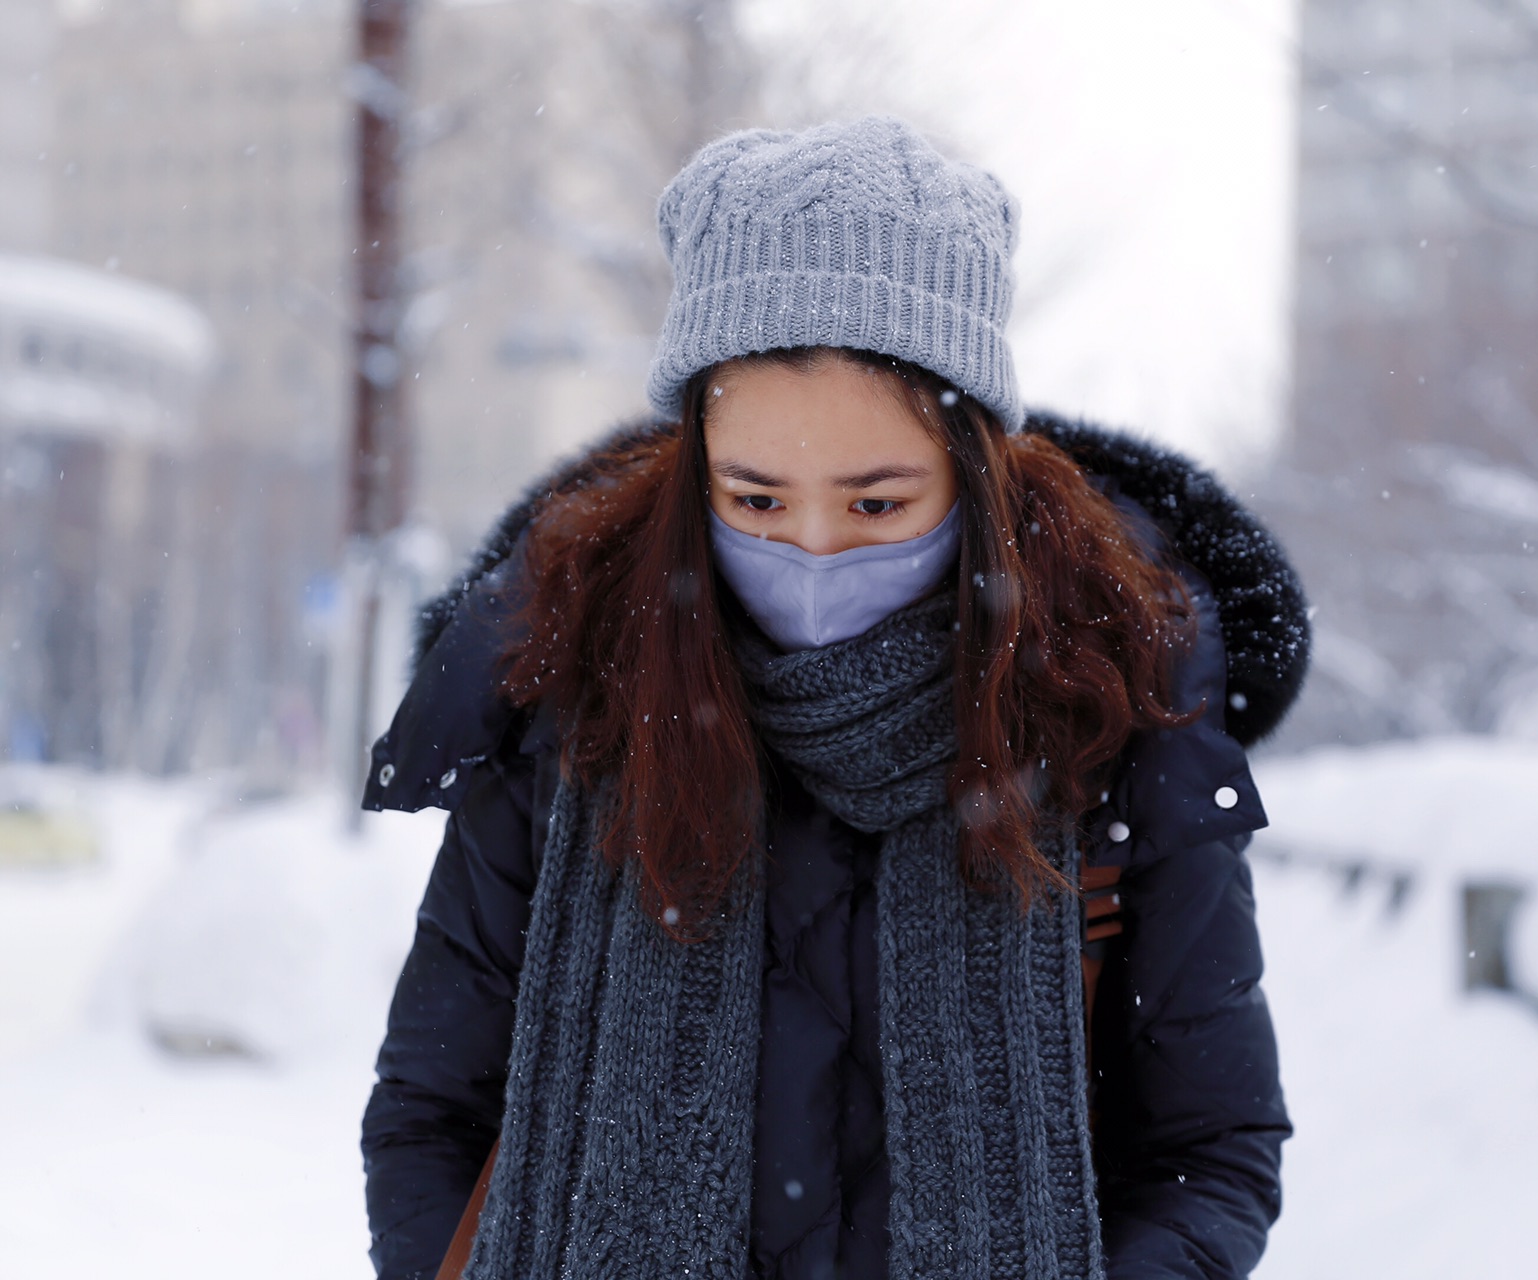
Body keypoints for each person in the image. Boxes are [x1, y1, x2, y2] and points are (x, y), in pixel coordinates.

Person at [359, 116, 1310, 1280]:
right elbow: (432, 1113)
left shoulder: (1108, 710)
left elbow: (1209, 1147)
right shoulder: (576, 698)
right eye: (755, 500)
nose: (812, 548)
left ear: (974, 478)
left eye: (876, 504)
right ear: (695, 464)